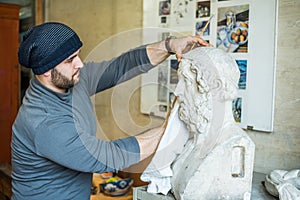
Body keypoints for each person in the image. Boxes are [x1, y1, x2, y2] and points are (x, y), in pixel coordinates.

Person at [11, 22, 209, 200]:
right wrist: (178, 123)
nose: (80, 63)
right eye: (70, 60)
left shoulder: (72, 79)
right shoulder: (44, 122)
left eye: (78, 55)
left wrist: (169, 46)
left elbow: (119, 67)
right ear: (46, 70)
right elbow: (110, 156)